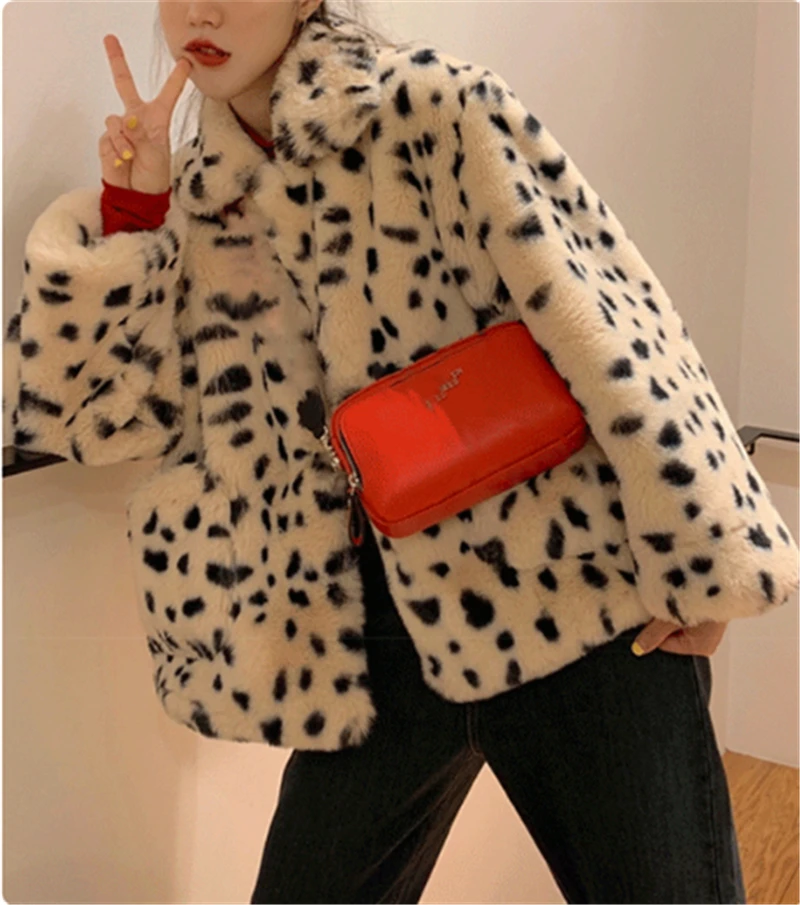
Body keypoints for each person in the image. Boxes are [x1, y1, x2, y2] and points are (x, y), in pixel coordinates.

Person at [5, 1, 798, 901]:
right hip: (374, 644)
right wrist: (134, 207)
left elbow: (610, 316)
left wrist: (708, 557)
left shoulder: (436, 106)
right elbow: (90, 420)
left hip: (576, 601)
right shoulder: (202, 200)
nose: (202, 11)